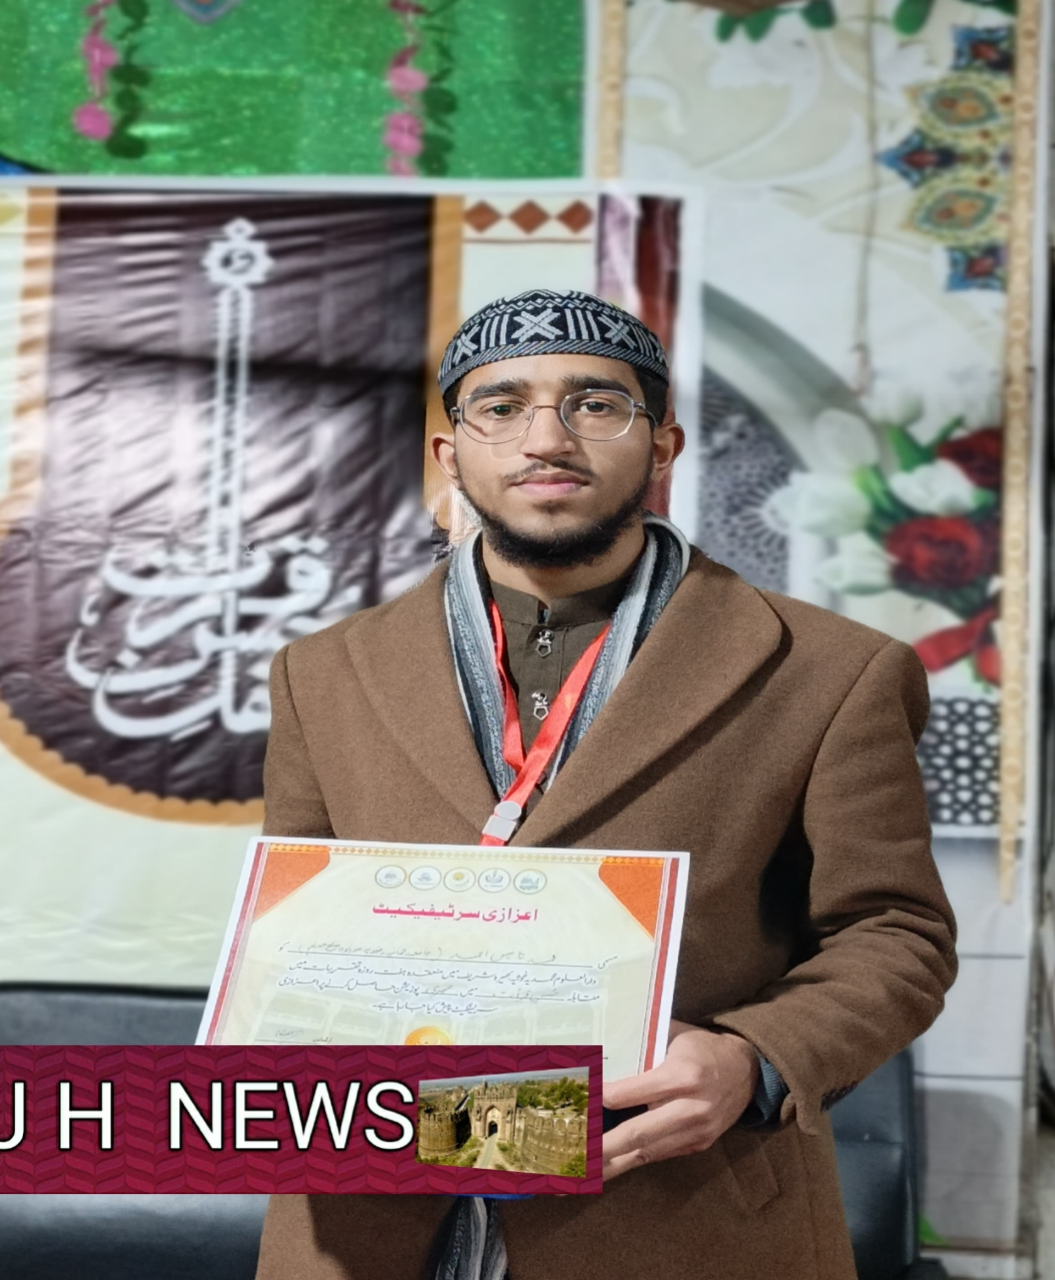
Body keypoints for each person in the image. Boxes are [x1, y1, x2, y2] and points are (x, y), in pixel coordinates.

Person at [255, 289, 958, 1280]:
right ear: (450, 454)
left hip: (680, 1211)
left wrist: (753, 1058)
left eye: (595, 404)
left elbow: (896, 931)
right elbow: (298, 926)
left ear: (662, 445)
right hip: (372, 1214)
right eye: (501, 406)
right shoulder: (321, 673)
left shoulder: (830, 671)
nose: (546, 438)